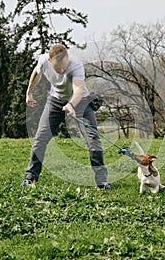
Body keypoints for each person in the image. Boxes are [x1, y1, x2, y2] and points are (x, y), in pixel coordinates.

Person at [20, 43, 112, 190]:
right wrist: (29, 92)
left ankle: (102, 182)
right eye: (58, 69)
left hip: (81, 102)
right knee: (40, 138)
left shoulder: (76, 65)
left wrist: (71, 104)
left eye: (64, 67)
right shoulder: (44, 60)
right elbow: (37, 73)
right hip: (55, 101)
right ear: (50, 61)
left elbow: (78, 91)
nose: (62, 71)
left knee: (93, 139)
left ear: (67, 58)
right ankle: (30, 178)